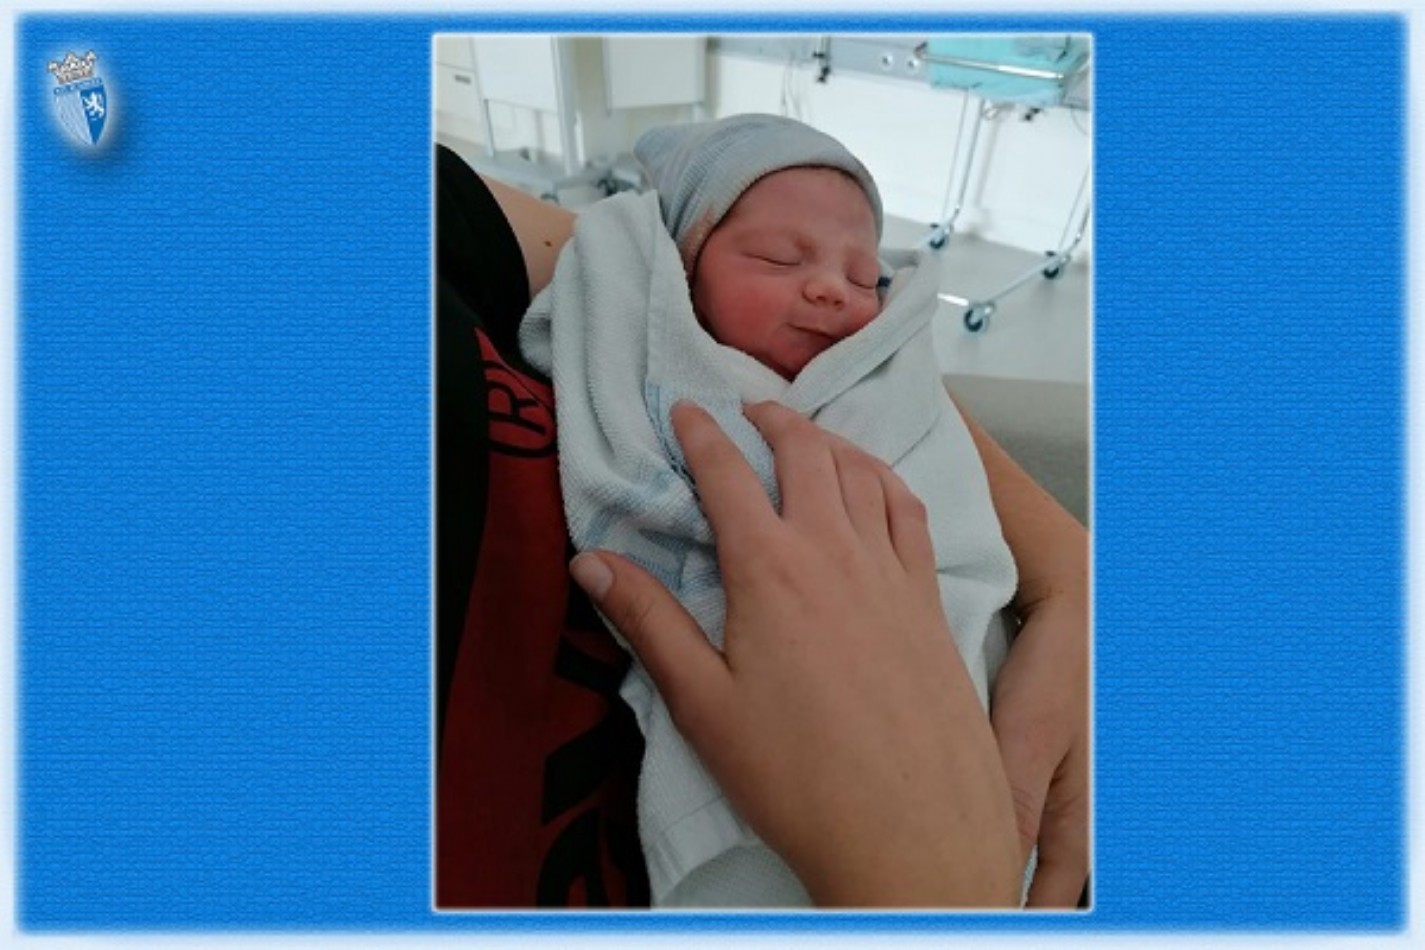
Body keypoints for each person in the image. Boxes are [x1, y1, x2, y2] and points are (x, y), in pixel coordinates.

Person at [434, 137, 1089, 908]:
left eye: (864, 276)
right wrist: (934, 885)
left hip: (1021, 737)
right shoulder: (649, 359)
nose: (834, 290)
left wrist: (1068, 571)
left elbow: (908, 412)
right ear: (683, 271)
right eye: (780, 258)